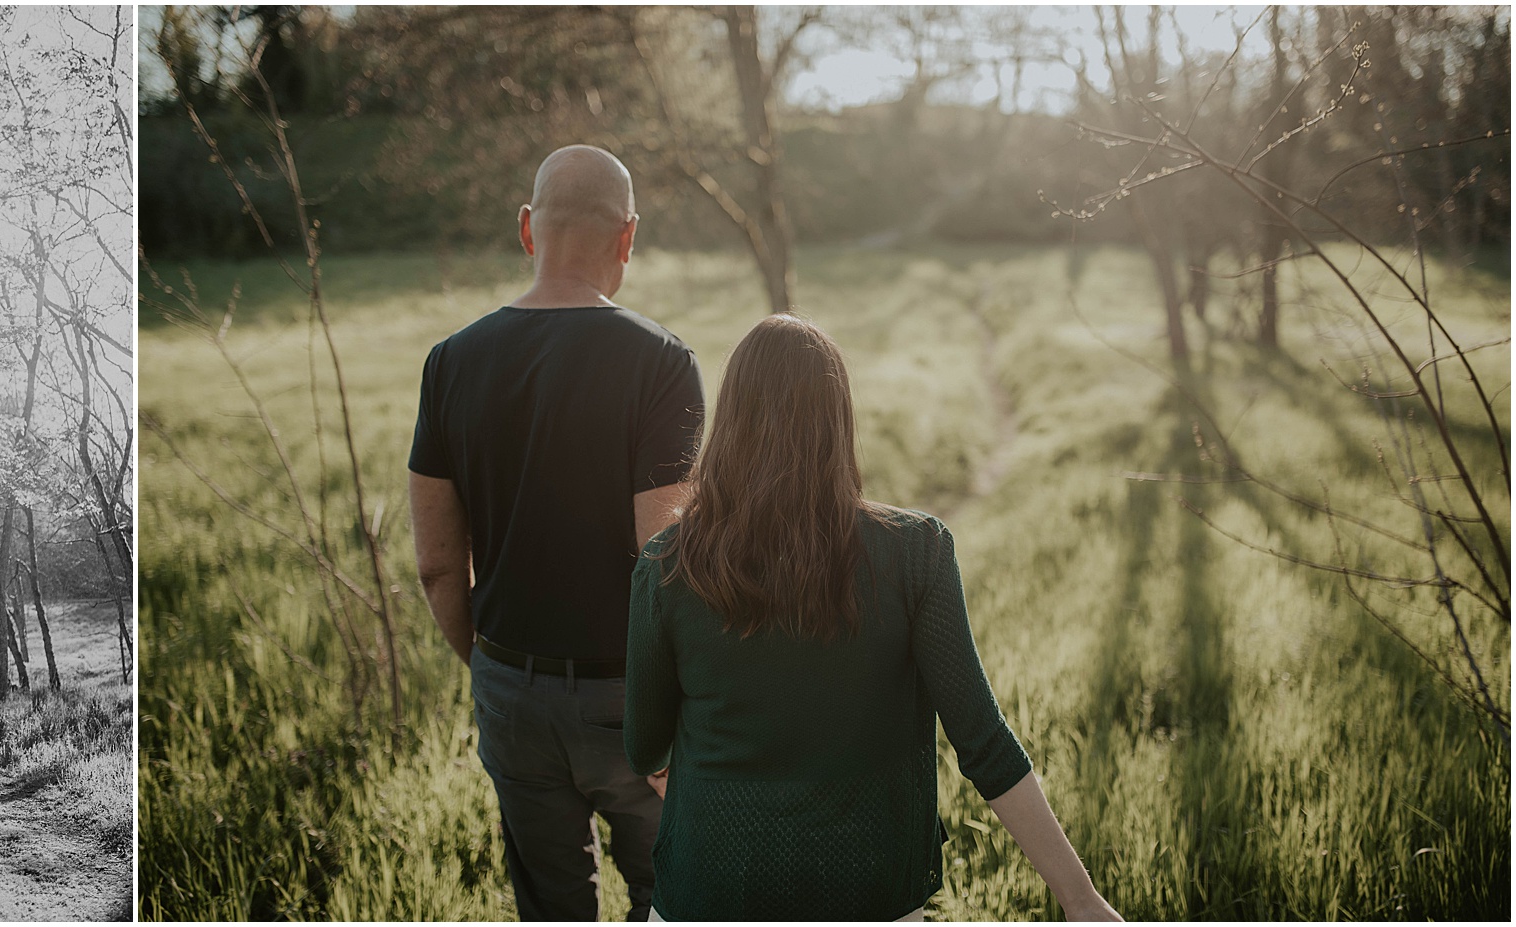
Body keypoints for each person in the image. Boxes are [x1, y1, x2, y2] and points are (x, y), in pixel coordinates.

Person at [624, 314, 1121, 922]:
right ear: (839, 422)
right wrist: (1080, 898)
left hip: (711, 889)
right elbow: (984, 742)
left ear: (730, 420)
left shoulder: (669, 565)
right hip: (866, 892)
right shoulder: (916, 553)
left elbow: (643, 743)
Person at [409, 144, 705, 921]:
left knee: (550, 907)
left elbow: (438, 566)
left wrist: (493, 669)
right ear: (628, 236)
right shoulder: (662, 363)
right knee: (670, 892)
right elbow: (662, 558)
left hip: (509, 687)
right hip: (631, 698)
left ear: (528, 229)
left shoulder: (449, 363)